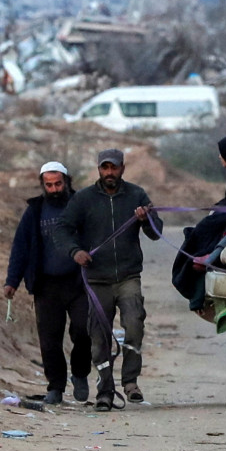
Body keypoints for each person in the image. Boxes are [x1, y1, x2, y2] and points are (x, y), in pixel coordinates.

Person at [55, 149, 162, 410]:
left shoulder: (137, 195)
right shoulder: (83, 199)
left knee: (134, 324)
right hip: (97, 279)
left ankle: (130, 382)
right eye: (105, 168)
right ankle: (104, 390)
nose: (109, 173)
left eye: (113, 168)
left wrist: (146, 219)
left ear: (123, 168)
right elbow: (62, 229)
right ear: (99, 170)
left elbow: (156, 233)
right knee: (99, 335)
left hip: (128, 276)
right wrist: (75, 251)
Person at [3, 161, 90, 406]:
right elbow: (20, 248)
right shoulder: (35, 210)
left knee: (83, 331)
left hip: (79, 282)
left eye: (58, 184)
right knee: (50, 339)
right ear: (43, 185)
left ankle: (80, 373)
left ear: (67, 181)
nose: (54, 189)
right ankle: (56, 387)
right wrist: (12, 281)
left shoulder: (81, 205)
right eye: (49, 185)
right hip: (46, 285)